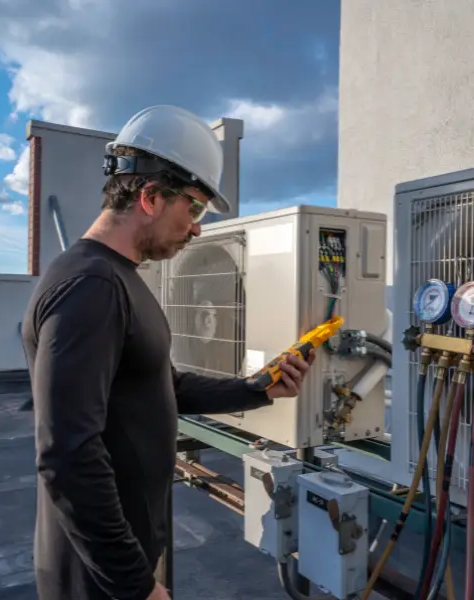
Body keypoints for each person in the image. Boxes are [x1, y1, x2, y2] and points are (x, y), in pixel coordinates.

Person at [21, 105, 314, 600]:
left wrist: (258, 388)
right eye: (195, 209)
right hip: (98, 580)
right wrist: (135, 584)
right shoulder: (91, 287)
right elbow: (68, 455)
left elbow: (161, 385)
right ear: (151, 197)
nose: (198, 228)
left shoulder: (117, 279)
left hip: (121, 563)